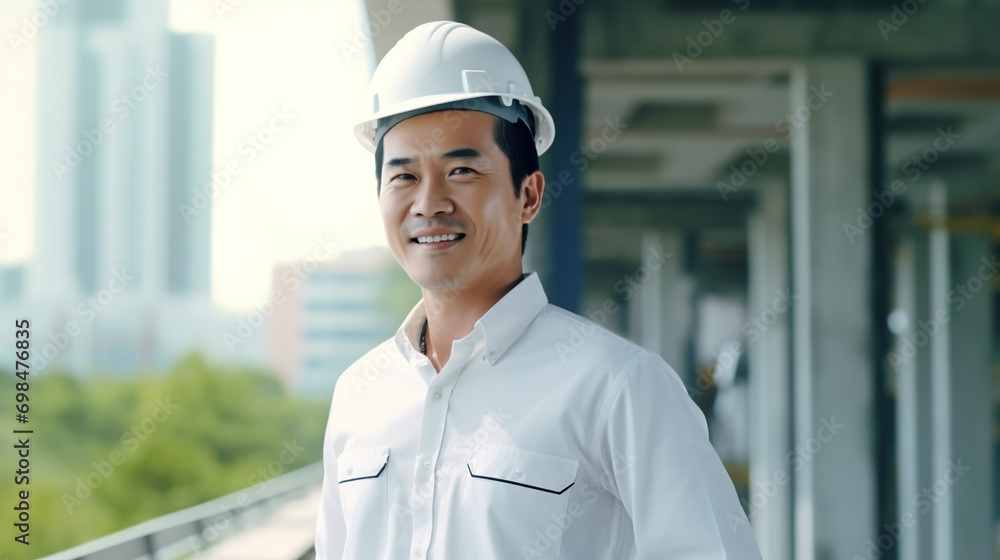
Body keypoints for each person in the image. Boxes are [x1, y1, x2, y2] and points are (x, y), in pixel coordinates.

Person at [315, 20, 762, 560]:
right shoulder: (359, 395)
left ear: (528, 195)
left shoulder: (619, 387)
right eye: (403, 177)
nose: (428, 202)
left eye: (461, 170)